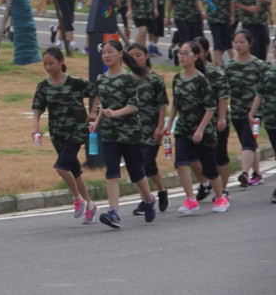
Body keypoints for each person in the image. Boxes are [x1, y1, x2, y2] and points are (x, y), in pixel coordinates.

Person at [88, 39, 157, 229]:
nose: (106, 56)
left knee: (136, 173)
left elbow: (134, 106)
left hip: (130, 133)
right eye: (104, 53)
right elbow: (104, 105)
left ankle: (149, 200)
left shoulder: (130, 78)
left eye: (110, 52)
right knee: (112, 172)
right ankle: (114, 213)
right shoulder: (102, 79)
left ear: (120, 54)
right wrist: (97, 122)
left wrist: (116, 113)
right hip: (110, 133)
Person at [31, 47, 99, 224]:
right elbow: (38, 107)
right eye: (45, 64)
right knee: (74, 170)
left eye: (51, 63)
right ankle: (91, 205)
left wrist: (92, 111)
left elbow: (96, 91)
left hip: (76, 130)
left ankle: (77, 199)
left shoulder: (75, 82)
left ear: (61, 62)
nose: (48, 67)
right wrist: (36, 126)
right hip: (57, 132)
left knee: (61, 167)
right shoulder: (43, 86)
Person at [169, 40, 229, 215]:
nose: (181, 56)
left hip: (203, 129)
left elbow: (211, 107)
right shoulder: (177, 78)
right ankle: (190, 199)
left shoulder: (202, 80)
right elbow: (175, 104)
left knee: (210, 168)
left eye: (185, 53)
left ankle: (220, 197)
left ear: (196, 56)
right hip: (183, 127)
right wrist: (168, 124)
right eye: (180, 53)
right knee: (180, 163)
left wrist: (201, 129)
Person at [125, 43, 170, 215]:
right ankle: (146, 199)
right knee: (137, 166)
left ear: (146, 56)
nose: (134, 59)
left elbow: (162, 104)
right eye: (131, 56)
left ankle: (161, 190)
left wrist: (160, 126)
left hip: (151, 128)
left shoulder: (155, 79)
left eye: (138, 55)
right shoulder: (127, 78)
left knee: (148, 163)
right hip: (132, 130)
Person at [191, 36, 231, 200]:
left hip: (215, 120)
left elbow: (223, 96)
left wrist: (221, 118)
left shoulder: (215, 72)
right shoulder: (189, 73)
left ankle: (222, 189)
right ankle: (206, 183)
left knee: (220, 155)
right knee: (192, 156)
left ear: (206, 52)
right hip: (195, 121)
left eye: (198, 51)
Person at [226, 29, 266, 188]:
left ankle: (244, 174)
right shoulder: (230, 66)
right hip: (236, 111)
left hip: (255, 112)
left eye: (242, 42)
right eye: (236, 42)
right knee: (247, 144)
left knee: (249, 141)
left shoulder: (259, 65)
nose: (238, 45)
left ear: (250, 43)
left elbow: (264, 89)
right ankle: (257, 174)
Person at [247, 40, 276, 203]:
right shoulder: (267, 68)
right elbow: (260, 93)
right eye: (275, 47)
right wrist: (252, 113)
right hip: (271, 117)